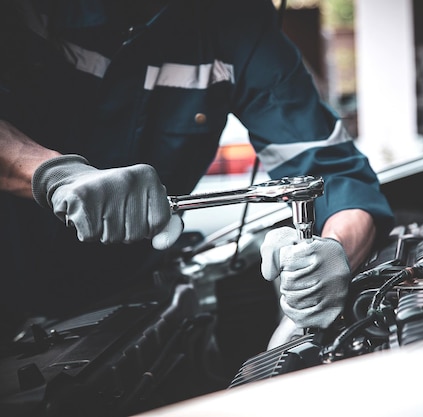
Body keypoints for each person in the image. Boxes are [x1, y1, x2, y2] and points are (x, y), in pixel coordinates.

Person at [0, 0, 394, 339]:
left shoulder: (237, 23)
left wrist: (333, 251)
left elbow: (334, 176)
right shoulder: (31, 12)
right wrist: (51, 174)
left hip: (131, 303)